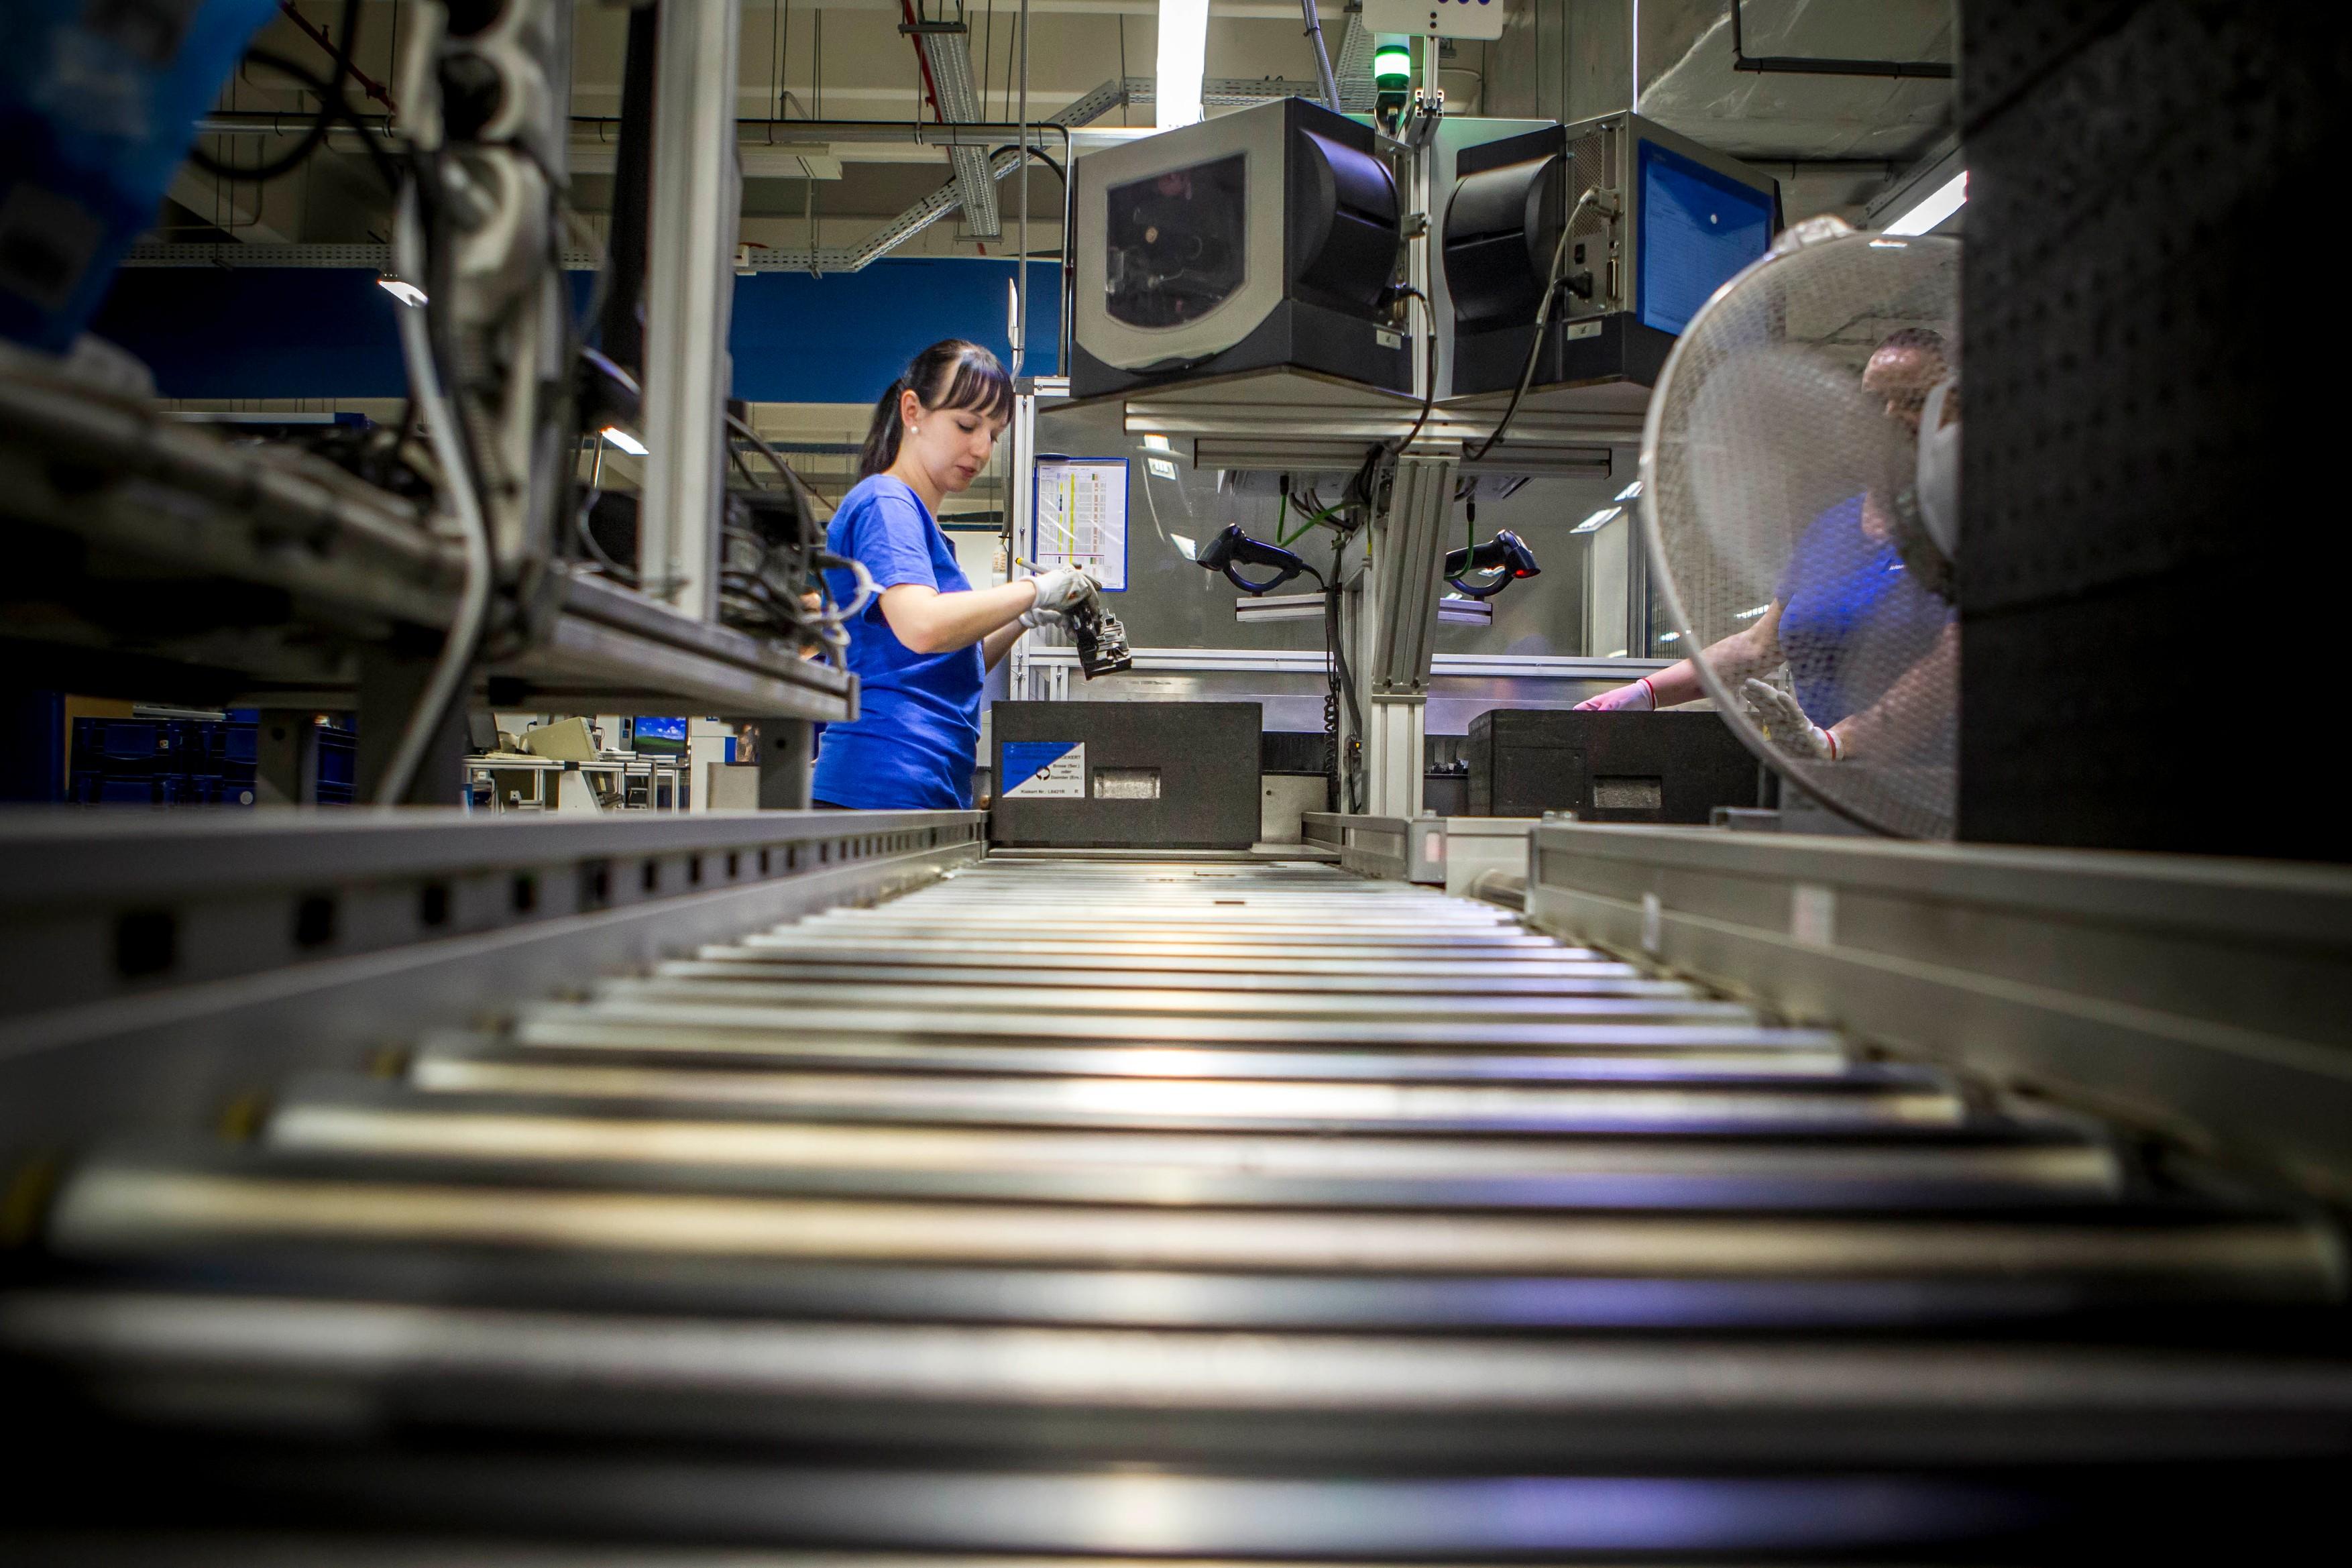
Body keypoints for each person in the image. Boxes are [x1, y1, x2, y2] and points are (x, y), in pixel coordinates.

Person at [1575, 328, 1956, 764]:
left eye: (1912, 401)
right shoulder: (1832, 530)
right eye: (1874, 401)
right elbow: (1758, 646)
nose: (1886, 417)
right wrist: (1644, 693)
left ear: (1954, 414)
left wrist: (1840, 742)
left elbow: (1955, 667)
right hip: (1826, 782)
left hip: (1937, 787)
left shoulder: (1969, 525)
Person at [811, 340, 1098, 810]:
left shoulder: (924, 527)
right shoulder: (885, 503)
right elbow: (924, 627)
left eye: (994, 435)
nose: (982, 449)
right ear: (913, 411)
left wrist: (1022, 619)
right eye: (966, 425)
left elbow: (943, 661)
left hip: (926, 785)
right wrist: (1033, 589)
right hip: (879, 787)